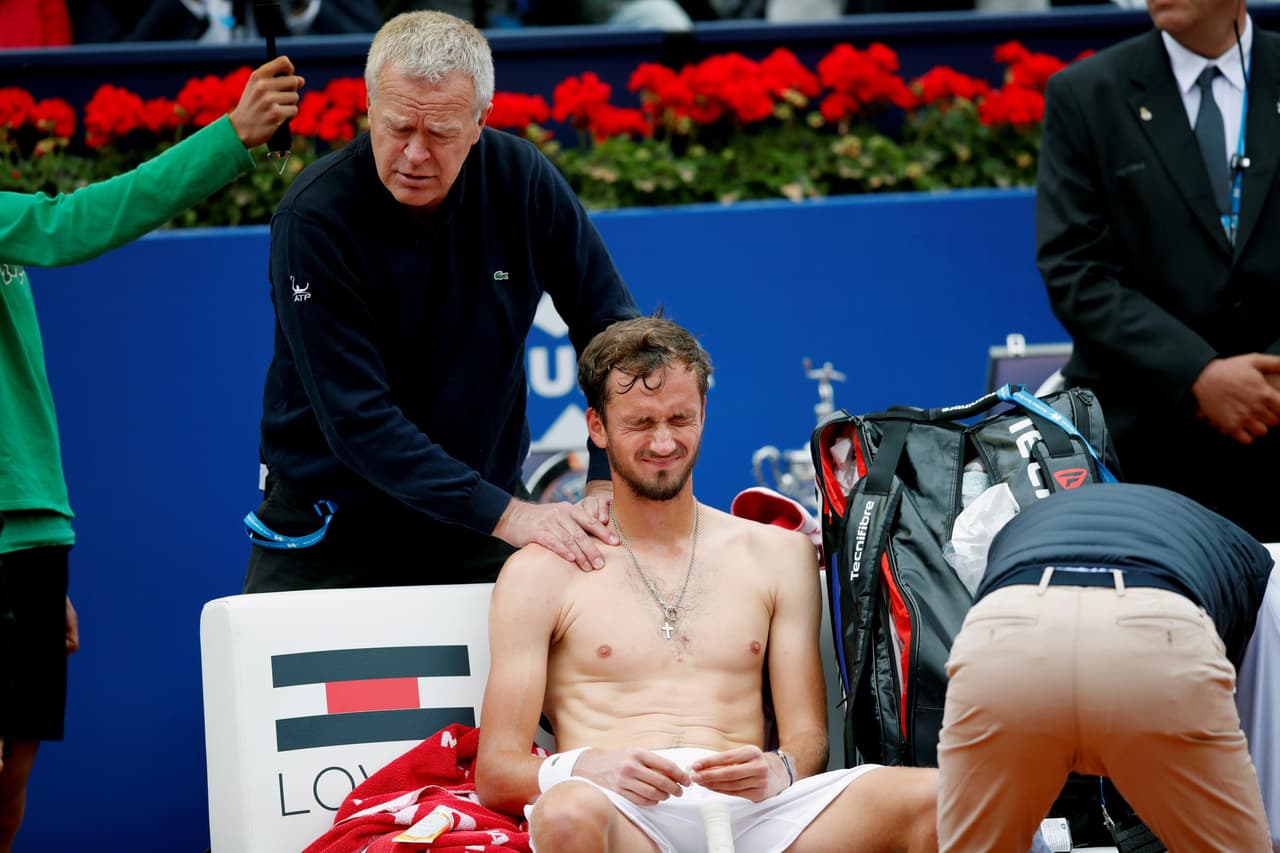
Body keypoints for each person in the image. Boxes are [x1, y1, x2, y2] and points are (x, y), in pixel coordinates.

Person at [474, 315, 938, 853]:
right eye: (640, 423)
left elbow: (808, 741)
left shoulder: (777, 554)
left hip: (760, 813)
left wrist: (779, 770)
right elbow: (498, 771)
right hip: (621, 812)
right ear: (597, 427)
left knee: (939, 795)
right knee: (566, 809)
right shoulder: (541, 570)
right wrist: (586, 767)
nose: (664, 441)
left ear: (703, 414)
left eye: (680, 418)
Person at [0, 56, 302, 853]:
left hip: (29, 540)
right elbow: (80, 222)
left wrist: (39, 570)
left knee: (9, 782)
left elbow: (76, 220)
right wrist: (233, 136)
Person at [243, 11, 638, 593]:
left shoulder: (520, 178)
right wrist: (515, 517)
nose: (415, 155)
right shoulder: (314, 217)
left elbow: (612, 330)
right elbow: (359, 421)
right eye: (399, 127)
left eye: (442, 133)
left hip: (484, 524)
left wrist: (606, 480)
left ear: (480, 122)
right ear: (370, 107)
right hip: (331, 531)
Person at [1035, 0, 1280, 543]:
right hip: (1147, 449)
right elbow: (1076, 271)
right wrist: (1197, 373)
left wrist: (1269, 380)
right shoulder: (1088, 94)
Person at [936, 482, 1273, 852]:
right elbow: (1249, 692)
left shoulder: (1026, 523)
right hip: (1154, 628)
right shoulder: (1246, 554)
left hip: (1006, 633)